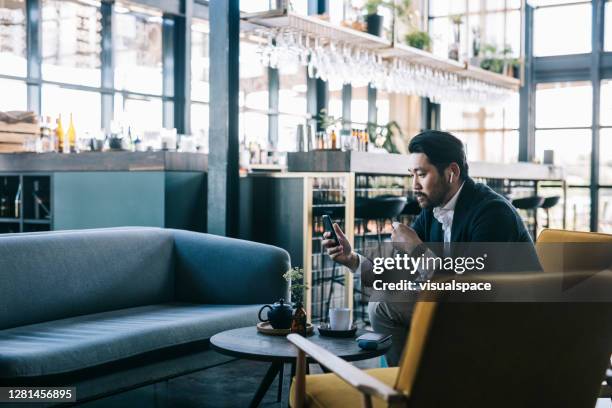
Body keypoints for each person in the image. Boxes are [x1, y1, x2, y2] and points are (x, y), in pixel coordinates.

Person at [322, 130, 540, 365]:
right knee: (384, 299)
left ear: (451, 173)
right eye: (412, 175)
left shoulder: (492, 213)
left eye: (422, 175)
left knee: (384, 303)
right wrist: (352, 259)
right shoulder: (432, 210)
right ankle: (414, 385)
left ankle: (415, 387)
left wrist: (416, 250)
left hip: (504, 319)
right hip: (461, 310)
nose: (414, 185)